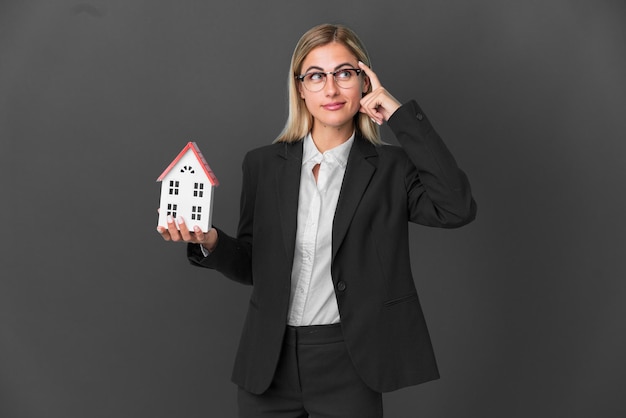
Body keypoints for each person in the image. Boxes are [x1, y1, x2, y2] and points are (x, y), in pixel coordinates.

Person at [157, 23, 476, 418]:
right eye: (316, 76)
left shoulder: (391, 169)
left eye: (344, 73)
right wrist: (209, 241)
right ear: (300, 88)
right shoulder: (263, 165)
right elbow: (252, 264)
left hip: (351, 360)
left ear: (363, 81)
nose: (331, 89)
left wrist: (397, 115)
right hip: (268, 365)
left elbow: (457, 207)